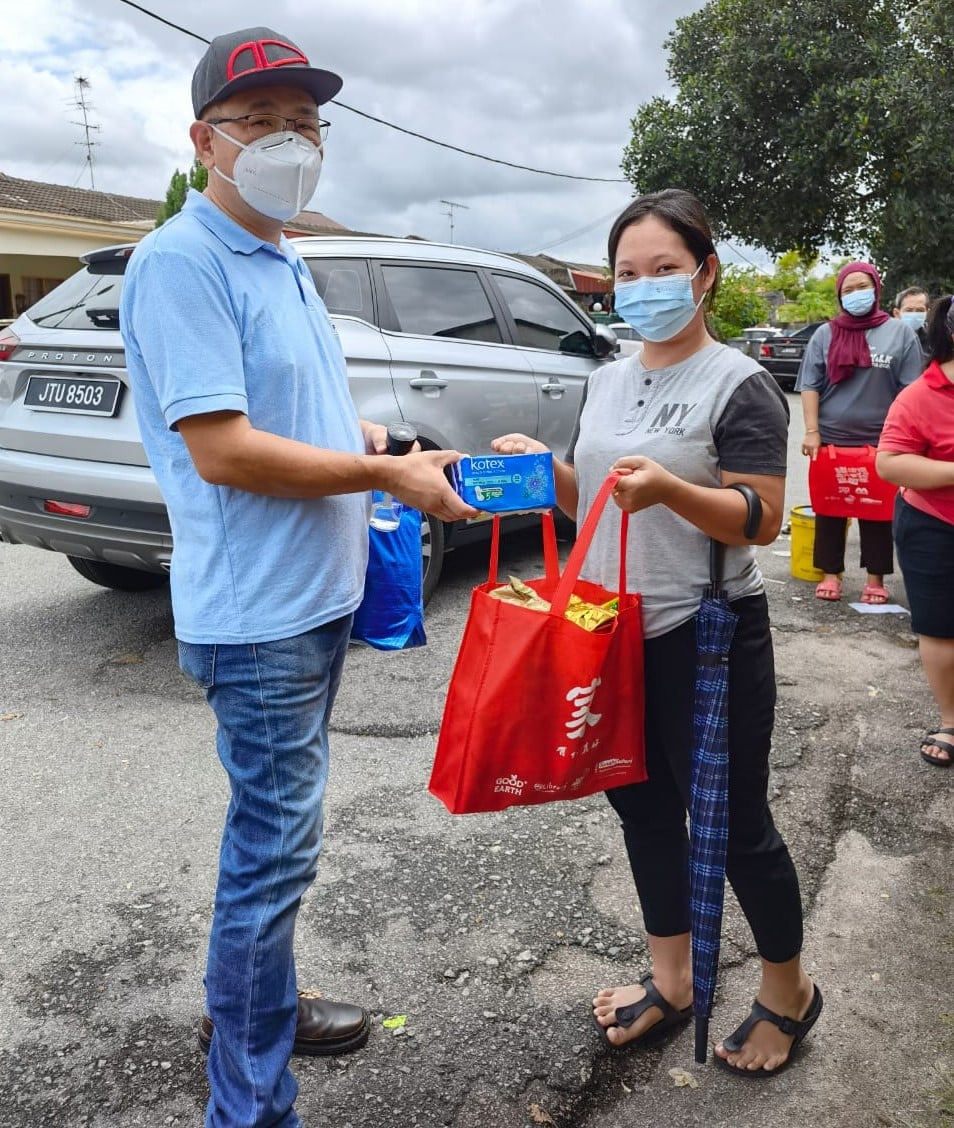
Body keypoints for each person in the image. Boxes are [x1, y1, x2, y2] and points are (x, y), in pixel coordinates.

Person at [119, 26, 475, 1128]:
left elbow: (290, 413)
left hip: (311, 602)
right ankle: (251, 1101)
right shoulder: (182, 263)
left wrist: (386, 445)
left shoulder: (280, 258)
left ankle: (259, 1007)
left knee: (276, 848)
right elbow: (221, 448)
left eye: (307, 124)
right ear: (204, 142)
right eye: (261, 123)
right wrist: (378, 472)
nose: (291, 143)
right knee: (272, 856)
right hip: (259, 617)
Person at [493, 189, 821, 1074]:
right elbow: (589, 498)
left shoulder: (738, 383)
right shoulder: (604, 378)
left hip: (705, 633)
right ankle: (671, 981)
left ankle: (789, 991)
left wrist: (673, 489)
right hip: (609, 632)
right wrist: (543, 471)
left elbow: (760, 518)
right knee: (641, 809)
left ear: (705, 274)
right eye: (629, 275)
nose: (644, 289)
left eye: (664, 270)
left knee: (735, 825)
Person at [796, 262, 922, 603]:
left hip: (883, 442)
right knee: (830, 509)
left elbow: (911, 392)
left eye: (862, 287)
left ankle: (875, 579)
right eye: (847, 290)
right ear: (839, 294)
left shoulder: (900, 334)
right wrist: (811, 431)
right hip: (832, 439)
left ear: (877, 289)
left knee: (878, 512)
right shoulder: (826, 334)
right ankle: (830, 573)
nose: (855, 295)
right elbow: (809, 385)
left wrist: (908, 442)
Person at [877, 296, 954, 767]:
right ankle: (951, 719)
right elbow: (890, 462)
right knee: (941, 627)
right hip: (935, 523)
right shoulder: (922, 394)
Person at [893, 286, 931, 360]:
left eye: (920, 310)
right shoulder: (887, 338)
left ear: (928, 314)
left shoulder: (933, 342)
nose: (914, 314)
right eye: (909, 310)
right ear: (896, 313)